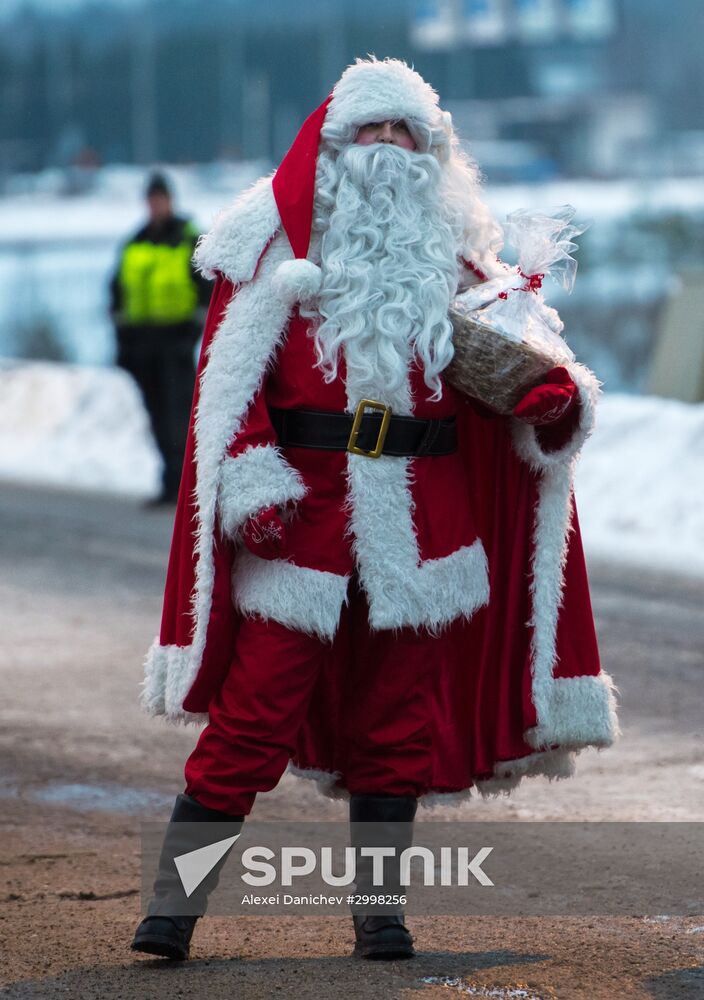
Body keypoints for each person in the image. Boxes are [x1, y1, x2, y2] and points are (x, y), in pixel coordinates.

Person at [131, 57, 621, 962]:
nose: (391, 149)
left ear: (434, 152)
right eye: (374, 131)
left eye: (409, 133)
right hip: (302, 521)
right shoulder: (269, 244)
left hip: (427, 527)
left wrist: (552, 406)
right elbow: (225, 392)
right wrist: (249, 482)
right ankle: (174, 906)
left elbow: (518, 379)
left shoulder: (466, 265)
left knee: (398, 725)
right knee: (252, 721)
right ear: (337, 142)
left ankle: (380, 913)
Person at [109, 172, 211, 503]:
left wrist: (193, 334)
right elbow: (118, 293)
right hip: (142, 344)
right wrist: (123, 341)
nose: (155, 206)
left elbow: (207, 290)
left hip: (176, 342)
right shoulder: (135, 242)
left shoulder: (189, 238)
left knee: (179, 416)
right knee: (156, 415)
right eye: (151, 200)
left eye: (160, 199)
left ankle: (187, 487)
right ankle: (170, 482)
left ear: (170, 200)